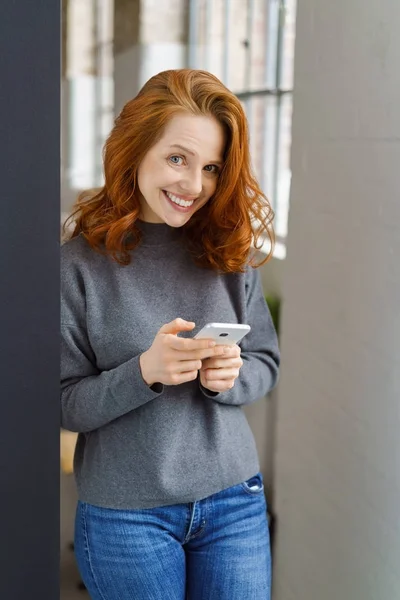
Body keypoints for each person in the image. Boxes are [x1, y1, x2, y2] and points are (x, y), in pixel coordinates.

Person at [61, 68, 280, 600]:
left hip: (235, 501)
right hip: (126, 516)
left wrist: (230, 377)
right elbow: (63, 404)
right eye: (177, 158)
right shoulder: (78, 266)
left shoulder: (230, 253)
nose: (194, 185)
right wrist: (143, 374)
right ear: (135, 150)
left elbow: (265, 364)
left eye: (211, 167)